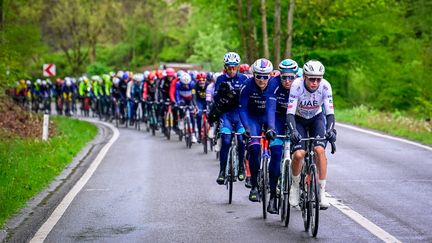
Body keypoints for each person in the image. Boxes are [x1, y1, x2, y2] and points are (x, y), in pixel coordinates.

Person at [287, 60, 337, 209]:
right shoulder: (296, 86)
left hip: (316, 118)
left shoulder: (326, 86)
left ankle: (322, 193)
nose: (315, 83)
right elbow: (289, 113)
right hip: (299, 119)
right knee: (298, 155)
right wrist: (293, 130)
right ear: (304, 77)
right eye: (311, 79)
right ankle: (295, 187)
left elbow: (330, 113)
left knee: (319, 150)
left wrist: (331, 130)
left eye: (318, 79)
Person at [265, 58, 299, 213]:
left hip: (296, 118)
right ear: (279, 76)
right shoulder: (273, 83)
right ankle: (272, 196)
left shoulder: (299, 84)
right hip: (278, 119)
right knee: (277, 154)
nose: (287, 81)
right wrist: (271, 128)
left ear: (296, 76)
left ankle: (300, 183)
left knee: (300, 153)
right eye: (284, 77)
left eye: (290, 77)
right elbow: (270, 108)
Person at [239, 58, 275, 202]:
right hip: (252, 118)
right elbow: (242, 109)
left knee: (277, 147)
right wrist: (246, 128)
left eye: (265, 76)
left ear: (270, 75)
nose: (261, 80)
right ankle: (254, 186)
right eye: (258, 76)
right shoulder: (247, 85)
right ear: (253, 75)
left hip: (270, 118)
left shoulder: (274, 85)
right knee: (254, 149)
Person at [214, 52, 248, 185]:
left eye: (234, 67)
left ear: (238, 67)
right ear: (225, 67)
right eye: (229, 67)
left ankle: (241, 168)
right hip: (226, 114)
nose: (232, 70)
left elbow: (247, 98)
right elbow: (216, 99)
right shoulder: (220, 79)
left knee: (241, 139)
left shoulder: (244, 78)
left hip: (239, 114)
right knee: (226, 140)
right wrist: (222, 93)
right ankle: (222, 171)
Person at [175, 72, 198, 143]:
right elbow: (177, 94)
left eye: (187, 84)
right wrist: (178, 102)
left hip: (190, 99)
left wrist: (194, 104)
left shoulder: (192, 84)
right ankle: (181, 120)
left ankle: (193, 134)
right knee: (181, 108)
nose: (185, 85)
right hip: (182, 99)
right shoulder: (178, 84)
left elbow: (194, 95)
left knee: (192, 117)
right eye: (184, 84)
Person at [193, 72, 208, 143]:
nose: (201, 82)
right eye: (200, 80)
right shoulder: (194, 86)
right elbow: (193, 97)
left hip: (207, 101)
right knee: (199, 115)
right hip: (199, 102)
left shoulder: (209, 85)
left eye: (203, 80)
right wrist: (195, 105)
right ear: (197, 81)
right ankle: (199, 135)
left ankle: (211, 131)